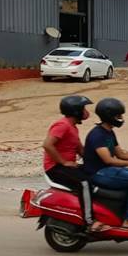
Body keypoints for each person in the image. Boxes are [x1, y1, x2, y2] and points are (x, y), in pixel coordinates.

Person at [83, 97, 128, 228]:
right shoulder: (97, 135)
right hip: (98, 173)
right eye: (118, 115)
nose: (121, 118)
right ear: (109, 116)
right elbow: (109, 160)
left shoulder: (109, 132)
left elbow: (121, 154)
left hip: (108, 170)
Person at [42, 94, 104, 230]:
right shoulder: (62, 125)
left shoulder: (73, 127)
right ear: (75, 111)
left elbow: (81, 150)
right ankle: (90, 221)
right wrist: (63, 162)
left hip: (66, 166)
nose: (86, 112)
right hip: (55, 167)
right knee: (84, 183)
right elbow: (47, 145)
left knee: (95, 176)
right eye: (83, 108)